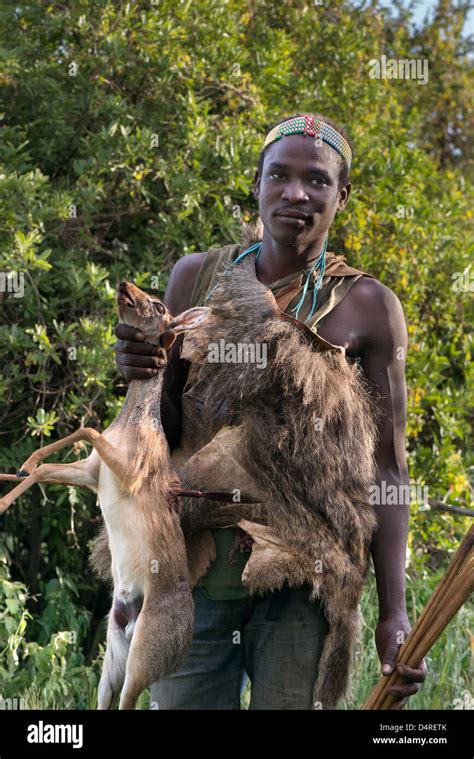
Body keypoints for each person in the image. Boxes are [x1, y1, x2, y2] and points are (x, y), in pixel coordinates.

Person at [114, 113, 427, 710]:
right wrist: (140, 370)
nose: (296, 193)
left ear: (342, 194)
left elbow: (387, 470)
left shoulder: (366, 306)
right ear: (256, 184)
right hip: (192, 574)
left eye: (317, 180)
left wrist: (395, 612)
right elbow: (163, 430)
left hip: (304, 579)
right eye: (279, 175)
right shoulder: (197, 278)